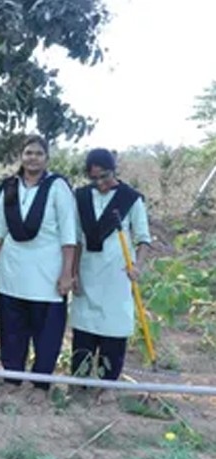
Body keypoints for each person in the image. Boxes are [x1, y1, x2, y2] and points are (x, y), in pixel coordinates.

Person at [0, 135, 76, 400]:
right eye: (28, 153)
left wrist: (67, 272)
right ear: (21, 156)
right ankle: (13, 378)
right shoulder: (10, 186)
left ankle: (41, 385)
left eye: (38, 154)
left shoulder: (57, 187)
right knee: (11, 327)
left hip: (47, 272)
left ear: (47, 158)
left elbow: (69, 233)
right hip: (13, 269)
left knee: (47, 332)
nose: (33, 158)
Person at [71, 148, 151, 399]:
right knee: (84, 327)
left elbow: (143, 239)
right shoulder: (81, 197)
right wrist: (73, 272)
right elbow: (75, 239)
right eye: (94, 178)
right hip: (87, 270)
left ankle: (108, 386)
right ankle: (79, 382)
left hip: (118, 273)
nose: (100, 184)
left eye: (104, 177)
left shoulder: (131, 198)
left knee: (113, 328)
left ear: (114, 171)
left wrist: (138, 265)